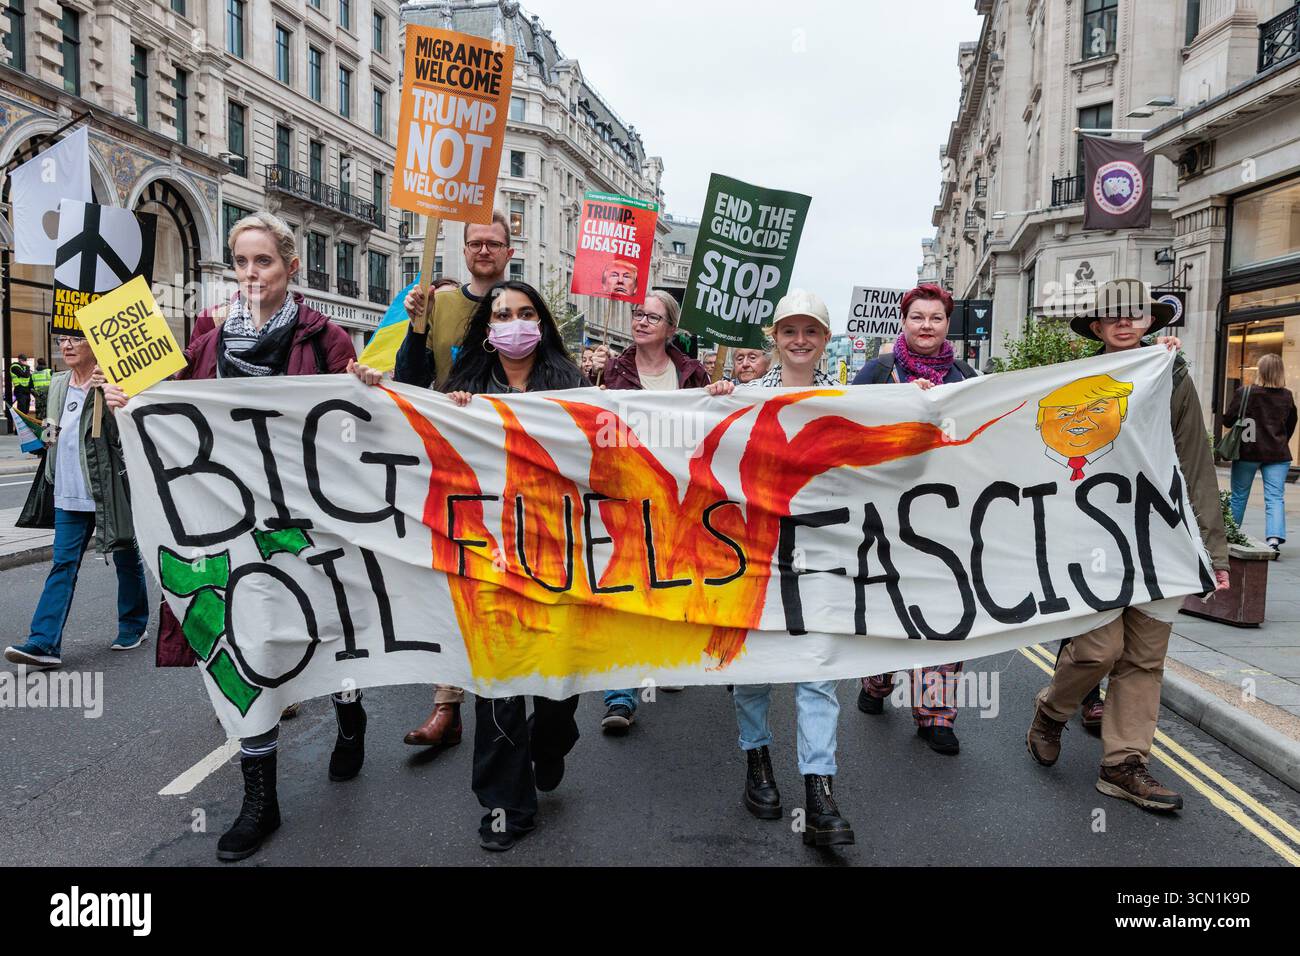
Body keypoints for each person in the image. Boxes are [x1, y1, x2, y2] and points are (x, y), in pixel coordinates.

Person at [105, 210, 358, 862]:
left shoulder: (325, 338)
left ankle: (349, 707)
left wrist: (364, 391)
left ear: (290, 267)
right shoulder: (208, 340)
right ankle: (260, 799)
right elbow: (174, 406)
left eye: (263, 261)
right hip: (231, 522)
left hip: (306, 520)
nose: (251, 273)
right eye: (241, 262)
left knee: (325, 627)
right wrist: (132, 403)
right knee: (248, 644)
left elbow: (352, 429)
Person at [350, 280, 587, 851]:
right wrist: (380, 386)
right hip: (485, 552)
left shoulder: (571, 384)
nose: (513, 323)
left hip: (556, 550)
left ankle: (551, 739)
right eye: (502, 315)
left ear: (541, 324)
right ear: (487, 330)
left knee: (557, 683)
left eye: (525, 313)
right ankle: (505, 805)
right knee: (498, 679)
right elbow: (410, 409)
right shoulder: (466, 384)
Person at [1026, 282, 1230, 812]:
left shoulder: (1171, 374)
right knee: (1099, 649)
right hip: (1094, 534)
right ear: (1097, 327)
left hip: (1161, 535)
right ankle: (1052, 711)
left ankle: (1123, 765)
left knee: (1144, 657)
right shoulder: (1073, 381)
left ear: (1149, 322)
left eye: (1134, 313)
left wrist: (1214, 550)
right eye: (1112, 315)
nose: (1124, 321)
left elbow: (1195, 462)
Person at [706, 289, 852, 846]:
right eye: (790, 330)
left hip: (822, 553)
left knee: (818, 672)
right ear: (775, 337)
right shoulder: (743, 396)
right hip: (754, 553)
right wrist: (712, 402)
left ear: (825, 339)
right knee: (755, 668)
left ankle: (820, 791)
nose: (799, 340)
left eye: (810, 330)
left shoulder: (850, 399)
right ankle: (757, 760)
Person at [386, 212, 513, 750]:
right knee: (451, 577)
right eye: (475, 242)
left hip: (508, 465)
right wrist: (416, 327)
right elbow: (410, 378)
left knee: (501, 579)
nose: (484, 249)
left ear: (508, 251)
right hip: (449, 460)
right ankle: (447, 703)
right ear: (463, 250)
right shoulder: (437, 303)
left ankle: (508, 694)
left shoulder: (520, 305)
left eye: (494, 243)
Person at [850, 284, 978, 756]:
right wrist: (902, 401)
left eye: (936, 318)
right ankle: (877, 680)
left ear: (947, 324)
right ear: (904, 322)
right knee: (888, 603)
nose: (927, 326)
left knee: (946, 606)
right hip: (883, 512)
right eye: (918, 317)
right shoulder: (878, 371)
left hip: (945, 515)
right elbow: (847, 428)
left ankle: (936, 714)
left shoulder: (966, 376)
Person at [593, 290, 709, 734]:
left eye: (652, 317)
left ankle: (667, 660)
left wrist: (719, 394)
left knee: (671, 583)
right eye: (638, 314)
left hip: (678, 497)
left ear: (671, 329)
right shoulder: (612, 371)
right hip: (625, 495)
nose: (641, 321)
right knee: (624, 590)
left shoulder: (692, 373)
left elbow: (710, 428)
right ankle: (620, 695)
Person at [3, 335, 149, 669]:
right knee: (63, 564)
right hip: (67, 493)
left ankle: (133, 624)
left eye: (76, 339)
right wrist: (39, 436)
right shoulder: (57, 384)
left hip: (108, 490)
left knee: (125, 556)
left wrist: (112, 401)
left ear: (96, 344)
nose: (66, 346)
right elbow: (53, 431)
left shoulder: (112, 382)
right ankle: (44, 642)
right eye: (62, 340)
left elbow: (123, 438)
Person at [1224, 354, 1295, 553]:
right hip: (1278, 454)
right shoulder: (1287, 396)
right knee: (1275, 497)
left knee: (1239, 496)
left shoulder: (1245, 392)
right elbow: (1291, 424)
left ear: (1260, 371)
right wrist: (1279, 440)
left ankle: (1230, 534)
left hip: (1248, 452)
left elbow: (1228, 420)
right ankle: (1273, 539)